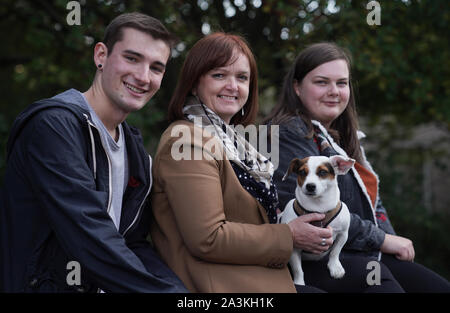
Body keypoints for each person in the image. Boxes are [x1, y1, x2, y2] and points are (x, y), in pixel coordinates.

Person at [0, 12, 187, 293]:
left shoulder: (134, 150)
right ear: (101, 55)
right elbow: (89, 235)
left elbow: (131, 243)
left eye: (156, 68)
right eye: (132, 58)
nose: (143, 76)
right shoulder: (53, 127)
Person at [265, 42, 450, 292]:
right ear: (297, 87)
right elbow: (313, 214)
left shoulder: (341, 138)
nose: (334, 91)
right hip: (313, 260)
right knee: (382, 283)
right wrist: (383, 240)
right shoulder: (287, 131)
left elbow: (375, 206)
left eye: (341, 83)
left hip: (359, 251)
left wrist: (393, 242)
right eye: (321, 82)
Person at [149, 32, 326, 293]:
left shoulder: (233, 141)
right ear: (194, 83)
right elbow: (208, 239)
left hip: (253, 275)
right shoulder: (186, 141)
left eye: (242, 78)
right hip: (215, 285)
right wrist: (288, 235)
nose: (233, 86)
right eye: (219, 75)